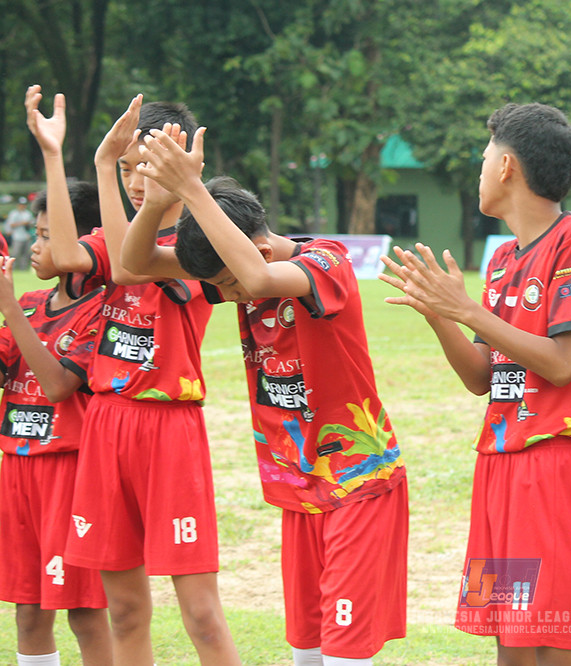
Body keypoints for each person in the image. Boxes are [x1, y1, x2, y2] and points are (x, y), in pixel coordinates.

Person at [120, 125, 408, 666]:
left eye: (223, 285)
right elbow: (134, 264)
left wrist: (193, 189)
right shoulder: (235, 264)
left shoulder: (326, 263)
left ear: (255, 245)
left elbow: (253, 280)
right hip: (298, 490)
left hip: (357, 484)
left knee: (346, 657)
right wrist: (161, 198)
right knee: (306, 652)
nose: (225, 296)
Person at [381, 103, 571, 666]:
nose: (478, 170)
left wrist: (465, 308)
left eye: (483, 158)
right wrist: (440, 314)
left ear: (507, 166)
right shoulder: (505, 258)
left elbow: (562, 364)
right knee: (510, 645)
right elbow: (482, 377)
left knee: (554, 647)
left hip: (550, 470)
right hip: (500, 467)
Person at [24, 86, 240, 665]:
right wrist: (59, 155)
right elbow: (70, 257)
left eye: (145, 165)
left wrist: (113, 172)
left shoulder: (200, 240)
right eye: (126, 168)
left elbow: (129, 264)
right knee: (122, 608)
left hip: (169, 429)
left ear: (178, 160)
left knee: (200, 613)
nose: (136, 179)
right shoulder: (115, 231)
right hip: (106, 425)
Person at [0, 181, 112, 666]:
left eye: (48, 236)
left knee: (84, 612)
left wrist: (8, 308)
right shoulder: (28, 304)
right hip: (16, 468)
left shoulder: (102, 310)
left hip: (69, 471)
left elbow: (59, 387)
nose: (37, 246)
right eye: (37, 234)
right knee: (28, 609)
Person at [6, 197, 34, 264]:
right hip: (17, 236)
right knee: (15, 254)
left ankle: (23, 269)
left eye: (24, 204)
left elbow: (32, 224)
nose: (22, 206)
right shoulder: (14, 213)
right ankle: (12, 268)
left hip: (26, 236)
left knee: (25, 254)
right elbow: (11, 224)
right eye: (21, 204)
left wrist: (28, 224)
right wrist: (22, 223)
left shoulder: (28, 214)